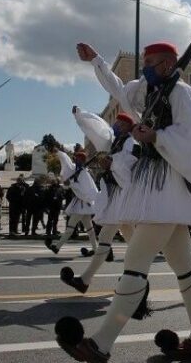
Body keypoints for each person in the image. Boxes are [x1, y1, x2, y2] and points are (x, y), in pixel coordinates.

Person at [54, 42, 191, 362]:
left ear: (169, 64)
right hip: (157, 188)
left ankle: (101, 344)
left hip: (167, 187)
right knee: (186, 272)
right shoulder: (150, 92)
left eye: (152, 62)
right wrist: (97, 60)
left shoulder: (181, 94)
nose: (145, 67)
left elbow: (190, 136)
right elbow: (121, 90)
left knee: (135, 266)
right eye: (145, 61)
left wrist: (156, 137)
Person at [60, 110, 137, 293]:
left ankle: (85, 280)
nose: (116, 126)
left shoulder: (130, 142)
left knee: (106, 237)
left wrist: (111, 163)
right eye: (116, 123)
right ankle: (134, 277)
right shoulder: (118, 142)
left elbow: (130, 163)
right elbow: (97, 131)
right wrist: (80, 116)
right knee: (133, 241)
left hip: (121, 194)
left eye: (120, 123)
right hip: (116, 193)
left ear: (127, 126)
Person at [46, 150, 98, 255]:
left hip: (82, 204)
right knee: (90, 229)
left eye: (79, 159)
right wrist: (69, 183)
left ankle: (57, 247)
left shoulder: (84, 173)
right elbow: (68, 179)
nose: (76, 160)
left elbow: (84, 189)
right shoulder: (77, 170)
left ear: (83, 160)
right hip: (81, 204)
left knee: (71, 228)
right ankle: (95, 249)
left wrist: (71, 184)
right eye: (76, 158)